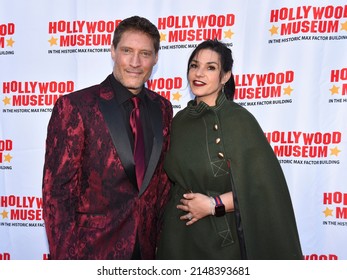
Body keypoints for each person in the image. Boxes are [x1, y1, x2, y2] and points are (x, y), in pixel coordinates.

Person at [156, 39, 302, 260]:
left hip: (221, 241)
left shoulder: (240, 121)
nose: (199, 73)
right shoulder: (179, 120)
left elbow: (263, 190)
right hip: (178, 239)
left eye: (210, 67)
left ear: (225, 76)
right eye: (194, 65)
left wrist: (213, 205)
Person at [42, 16, 173, 260]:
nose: (135, 62)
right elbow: (57, 195)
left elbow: (162, 185)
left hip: (146, 252)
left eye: (145, 53)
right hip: (92, 253)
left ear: (155, 58)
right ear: (112, 51)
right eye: (127, 51)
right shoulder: (76, 106)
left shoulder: (162, 108)